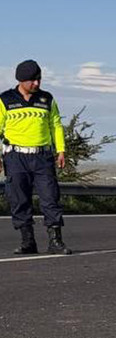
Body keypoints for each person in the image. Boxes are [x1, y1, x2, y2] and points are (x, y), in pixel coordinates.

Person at [1, 60, 70, 255]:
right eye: (32, 80)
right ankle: (27, 241)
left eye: (39, 79)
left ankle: (55, 241)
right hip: (15, 157)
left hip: (42, 156)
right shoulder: (5, 99)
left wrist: (61, 150)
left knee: (50, 197)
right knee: (19, 198)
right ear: (21, 80)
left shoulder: (47, 99)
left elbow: (55, 125)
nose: (37, 84)